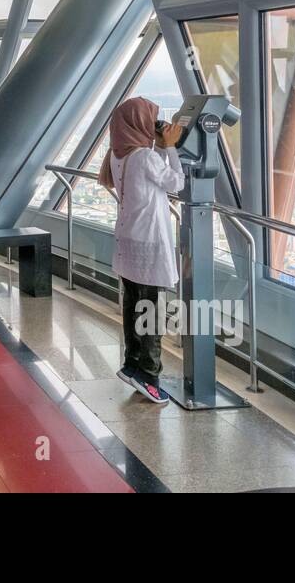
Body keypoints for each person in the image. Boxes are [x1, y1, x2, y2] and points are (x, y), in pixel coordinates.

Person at [98, 96, 185, 405]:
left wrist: (160, 147)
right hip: (148, 243)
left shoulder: (117, 155)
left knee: (133, 305)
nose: (155, 126)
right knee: (150, 311)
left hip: (128, 242)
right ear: (138, 124)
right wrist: (169, 146)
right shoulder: (145, 157)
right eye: (151, 120)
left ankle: (132, 365)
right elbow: (177, 183)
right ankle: (149, 376)